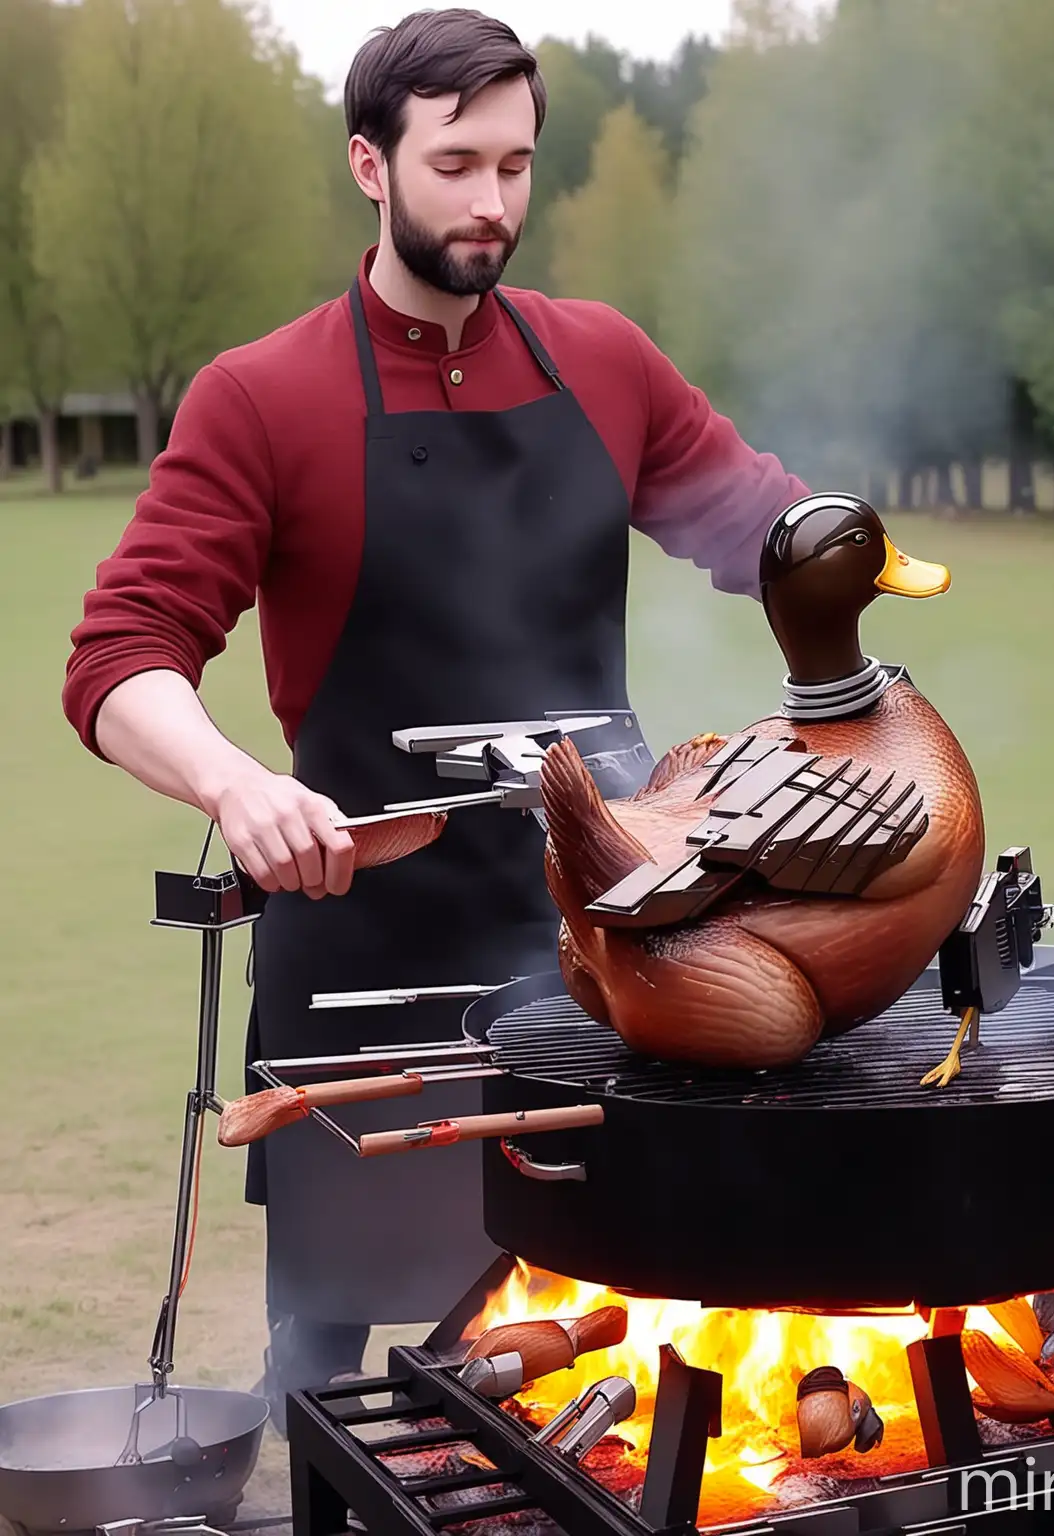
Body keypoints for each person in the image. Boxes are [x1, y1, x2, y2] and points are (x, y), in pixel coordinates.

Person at [62, 8, 808, 1428]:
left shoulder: (606, 363)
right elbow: (119, 657)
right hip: (361, 953)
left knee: (640, 1313)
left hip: (609, 938)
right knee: (330, 1366)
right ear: (369, 163)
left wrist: (853, 563)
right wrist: (235, 788)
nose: (493, 201)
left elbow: (767, 532)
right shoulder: (261, 397)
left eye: (517, 165)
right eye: (457, 162)